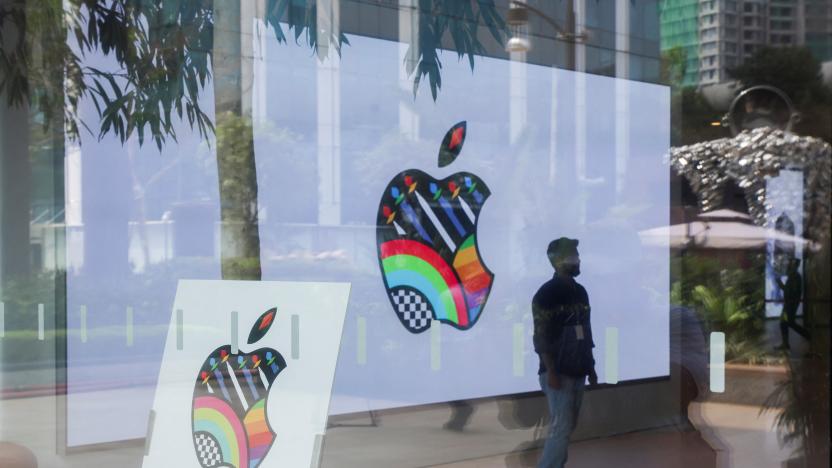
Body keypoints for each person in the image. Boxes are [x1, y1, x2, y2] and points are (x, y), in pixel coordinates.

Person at [532, 238, 597, 468]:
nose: (577, 259)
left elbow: (586, 331)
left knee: (567, 426)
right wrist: (550, 371)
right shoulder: (546, 294)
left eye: (577, 255)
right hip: (558, 372)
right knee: (561, 427)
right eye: (572, 255)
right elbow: (541, 336)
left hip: (577, 369)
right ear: (557, 261)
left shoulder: (581, 292)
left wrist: (591, 367)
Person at [775, 258, 809, 350]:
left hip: (790, 305)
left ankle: (808, 336)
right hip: (789, 305)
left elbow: (792, 292)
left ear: (795, 266)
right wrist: (780, 283)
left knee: (788, 323)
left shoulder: (795, 277)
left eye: (791, 264)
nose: (789, 266)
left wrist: (780, 283)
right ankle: (786, 343)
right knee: (785, 323)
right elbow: (787, 290)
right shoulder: (793, 276)